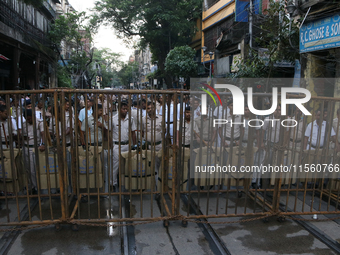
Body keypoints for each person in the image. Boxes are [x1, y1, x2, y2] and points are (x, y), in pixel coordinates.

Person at [110, 100, 137, 191]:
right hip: (117, 145)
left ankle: (128, 182)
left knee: (128, 165)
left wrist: (135, 145)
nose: (125, 111)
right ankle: (113, 183)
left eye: (127, 109)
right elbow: (109, 132)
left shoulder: (131, 119)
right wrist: (111, 145)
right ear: (119, 109)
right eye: (123, 109)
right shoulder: (113, 119)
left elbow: (133, 132)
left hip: (127, 144)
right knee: (115, 165)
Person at [21, 109, 46, 194]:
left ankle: (37, 187)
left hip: (34, 147)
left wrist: (43, 144)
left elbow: (43, 134)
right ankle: (31, 186)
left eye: (29, 119)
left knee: (33, 169)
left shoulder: (39, 122)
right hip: (25, 147)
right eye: (27, 119)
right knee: (27, 168)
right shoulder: (24, 124)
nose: (28, 121)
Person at [142, 101, 164, 189]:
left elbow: (164, 131)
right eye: (148, 108)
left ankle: (159, 185)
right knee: (148, 166)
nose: (150, 110)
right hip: (148, 146)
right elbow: (141, 132)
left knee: (159, 165)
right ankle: (150, 185)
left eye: (152, 108)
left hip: (159, 146)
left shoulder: (161, 118)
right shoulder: (143, 119)